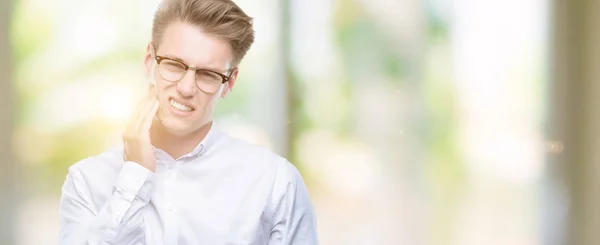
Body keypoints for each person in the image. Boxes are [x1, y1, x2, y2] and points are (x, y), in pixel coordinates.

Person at [58, 0, 319, 244]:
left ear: (229, 83)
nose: (186, 88)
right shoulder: (87, 182)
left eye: (207, 74)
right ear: (150, 60)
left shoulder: (274, 183)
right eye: (174, 65)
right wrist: (134, 177)